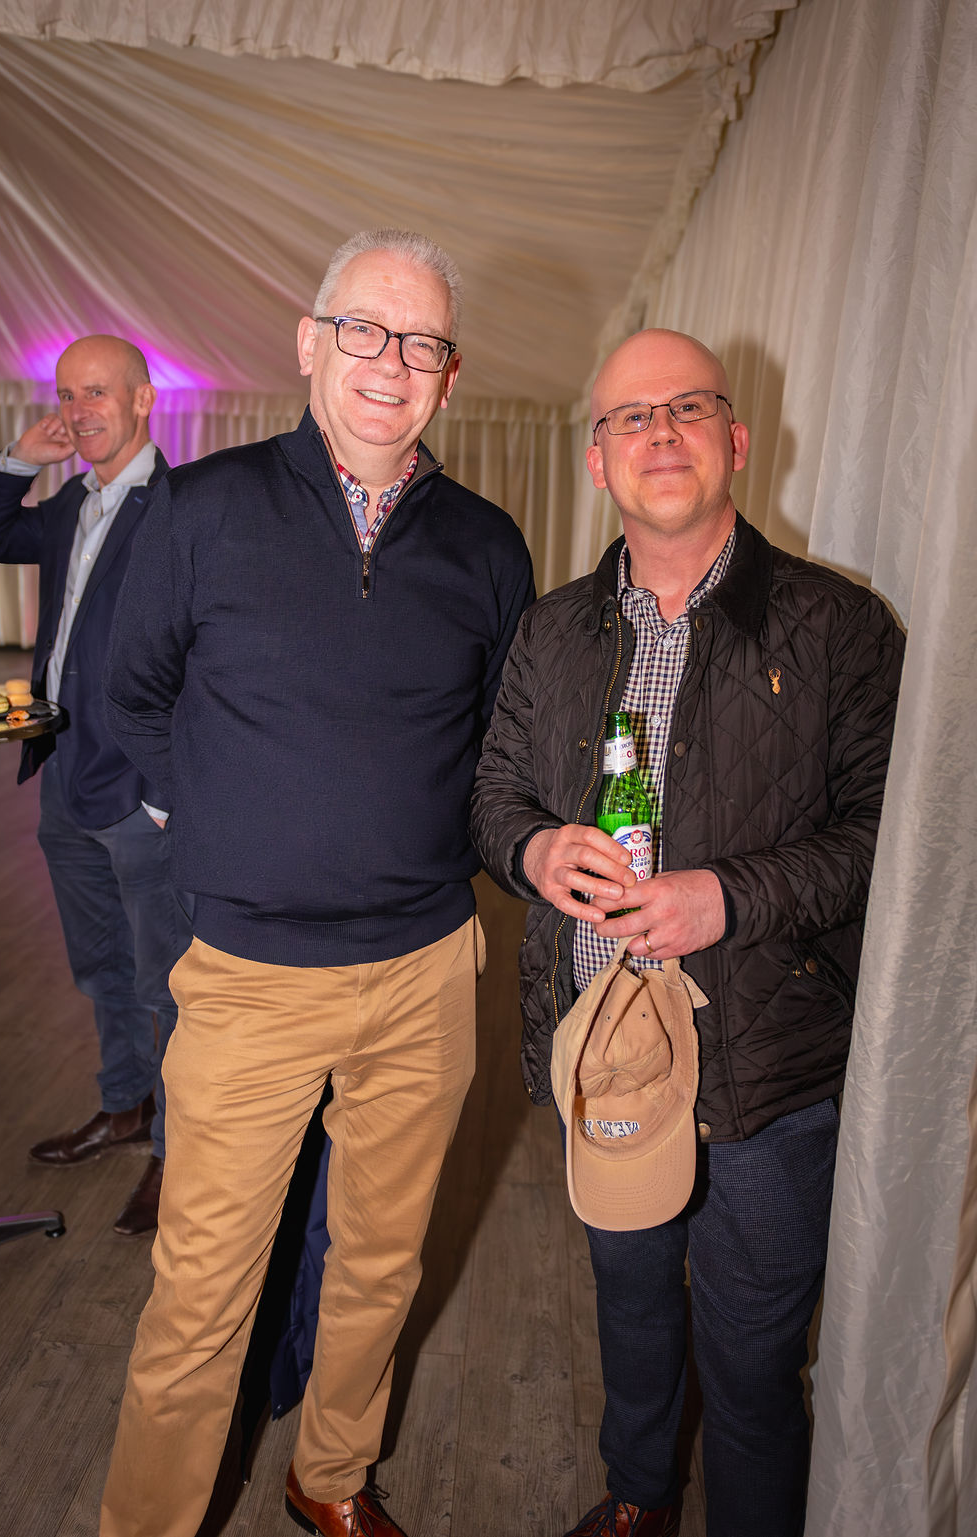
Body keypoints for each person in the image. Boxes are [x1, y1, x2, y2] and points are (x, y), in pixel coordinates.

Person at [98, 229, 535, 1537]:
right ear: (310, 342)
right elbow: (129, 692)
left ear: (449, 376)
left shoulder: (488, 547)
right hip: (249, 981)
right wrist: (227, 820)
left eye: (422, 343)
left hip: (426, 972)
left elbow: (496, 742)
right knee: (201, 1293)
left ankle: (329, 1474)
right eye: (365, 330)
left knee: (382, 1261)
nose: (390, 362)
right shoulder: (202, 508)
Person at [470, 328, 905, 1537]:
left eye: (687, 408)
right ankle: (639, 1499)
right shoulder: (551, 630)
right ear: (598, 459)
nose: (659, 432)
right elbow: (493, 794)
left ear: (735, 440)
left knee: (755, 1369)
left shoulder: (839, 626)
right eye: (630, 416)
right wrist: (531, 850)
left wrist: (731, 896)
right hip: (605, 1050)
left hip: (768, 1070)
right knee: (630, 1307)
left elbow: (889, 838)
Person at [0, 335, 191, 1237]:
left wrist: (165, 792)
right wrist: (21, 457)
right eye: (66, 393)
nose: (79, 409)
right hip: (60, 772)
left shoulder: (181, 508)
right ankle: (125, 1105)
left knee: (165, 982)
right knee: (101, 967)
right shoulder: (67, 505)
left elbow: (208, 657)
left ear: (143, 399)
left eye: (97, 391)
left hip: (139, 790)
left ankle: (177, 1149)